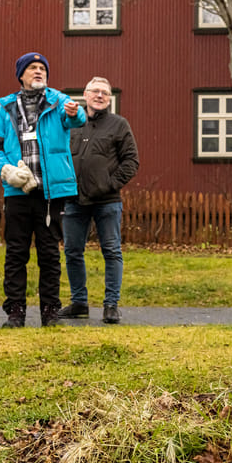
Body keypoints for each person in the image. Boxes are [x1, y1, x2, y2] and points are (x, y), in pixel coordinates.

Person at [0, 52, 86, 328]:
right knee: (16, 253)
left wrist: (76, 112)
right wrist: (7, 171)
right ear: (21, 75)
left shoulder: (59, 101)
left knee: (49, 254)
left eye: (43, 68)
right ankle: (15, 313)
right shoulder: (5, 107)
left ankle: (50, 313)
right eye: (32, 68)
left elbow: (77, 120)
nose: (39, 72)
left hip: (50, 194)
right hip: (17, 194)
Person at [63, 76, 139, 324]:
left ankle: (111, 305)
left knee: (112, 251)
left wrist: (109, 184)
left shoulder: (119, 125)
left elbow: (131, 162)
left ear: (109, 99)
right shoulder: (72, 124)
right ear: (85, 95)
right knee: (73, 251)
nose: (99, 96)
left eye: (104, 93)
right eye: (95, 91)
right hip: (73, 200)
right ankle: (79, 303)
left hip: (107, 201)